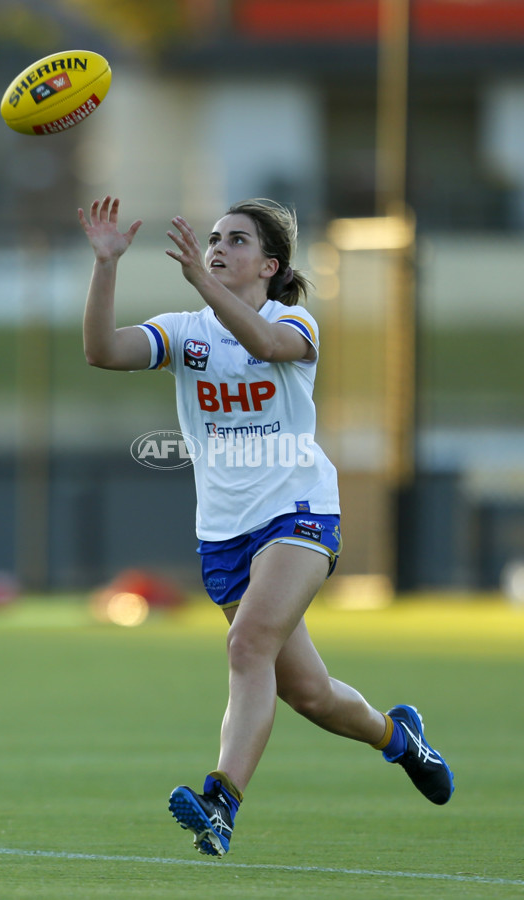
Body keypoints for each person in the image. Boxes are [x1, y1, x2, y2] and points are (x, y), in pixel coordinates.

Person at [78, 195, 454, 859]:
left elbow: (262, 342)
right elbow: (103, 351)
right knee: (309, 693)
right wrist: (106, 265)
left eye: (237, 241)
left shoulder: (295, 321)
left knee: (247, 645)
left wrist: (200, 281)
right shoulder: (185, 331)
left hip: (300, 509)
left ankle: (221, 802)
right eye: (215, 238)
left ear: (269, 264)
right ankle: (400, 738)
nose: (219, 247)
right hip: (224, 532)